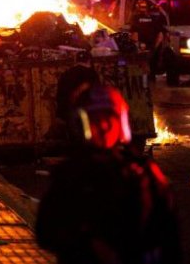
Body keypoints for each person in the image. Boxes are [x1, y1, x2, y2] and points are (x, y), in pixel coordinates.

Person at [36, 84, 181, 264]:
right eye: (96, 120)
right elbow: (46, 232)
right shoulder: (71, 175)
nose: (104, 127)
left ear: (120, 123)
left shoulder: (143, 173)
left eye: (109, 119)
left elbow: (169, 239)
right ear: (83, 125)